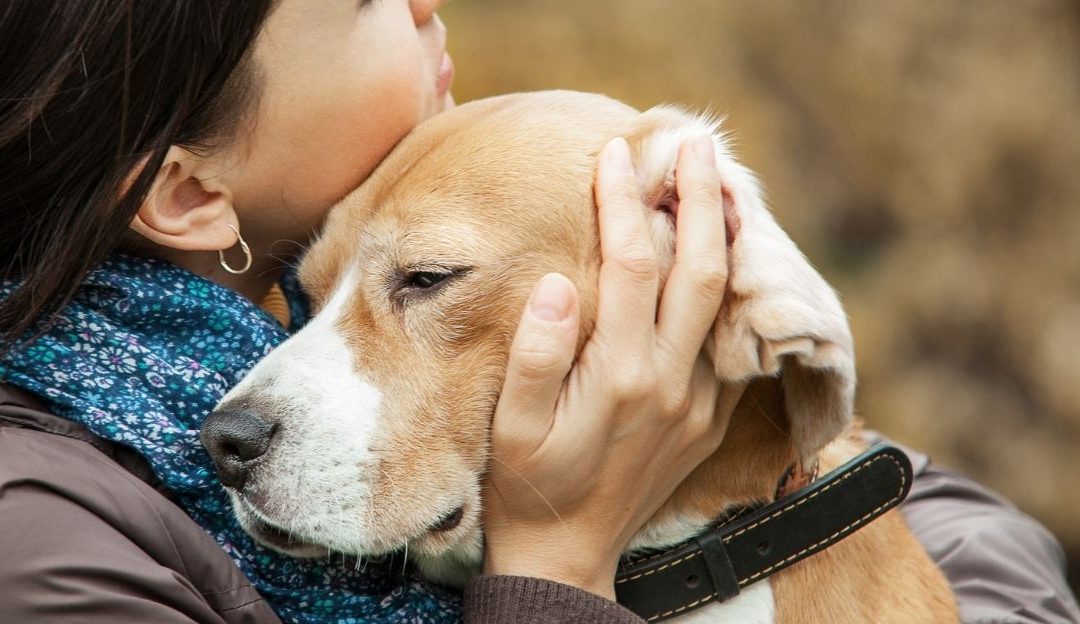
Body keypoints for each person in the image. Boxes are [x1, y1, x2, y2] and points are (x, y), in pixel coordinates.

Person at [0, 2, 1075, 623]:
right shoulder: (41, 538)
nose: (427, 5)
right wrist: (558, 564)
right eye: (366, 0)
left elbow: (945, 520)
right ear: (190, 193)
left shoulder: (494, 231)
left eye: (419, 281)